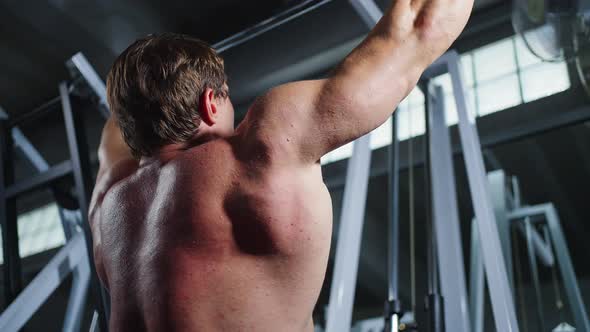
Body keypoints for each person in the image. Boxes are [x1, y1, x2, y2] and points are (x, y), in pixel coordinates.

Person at [89, 0, 473, 330]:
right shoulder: (262, 149)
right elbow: (420, 27)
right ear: (210, 103)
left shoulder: (108, 205)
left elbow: (118, 129)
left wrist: (140, 89)